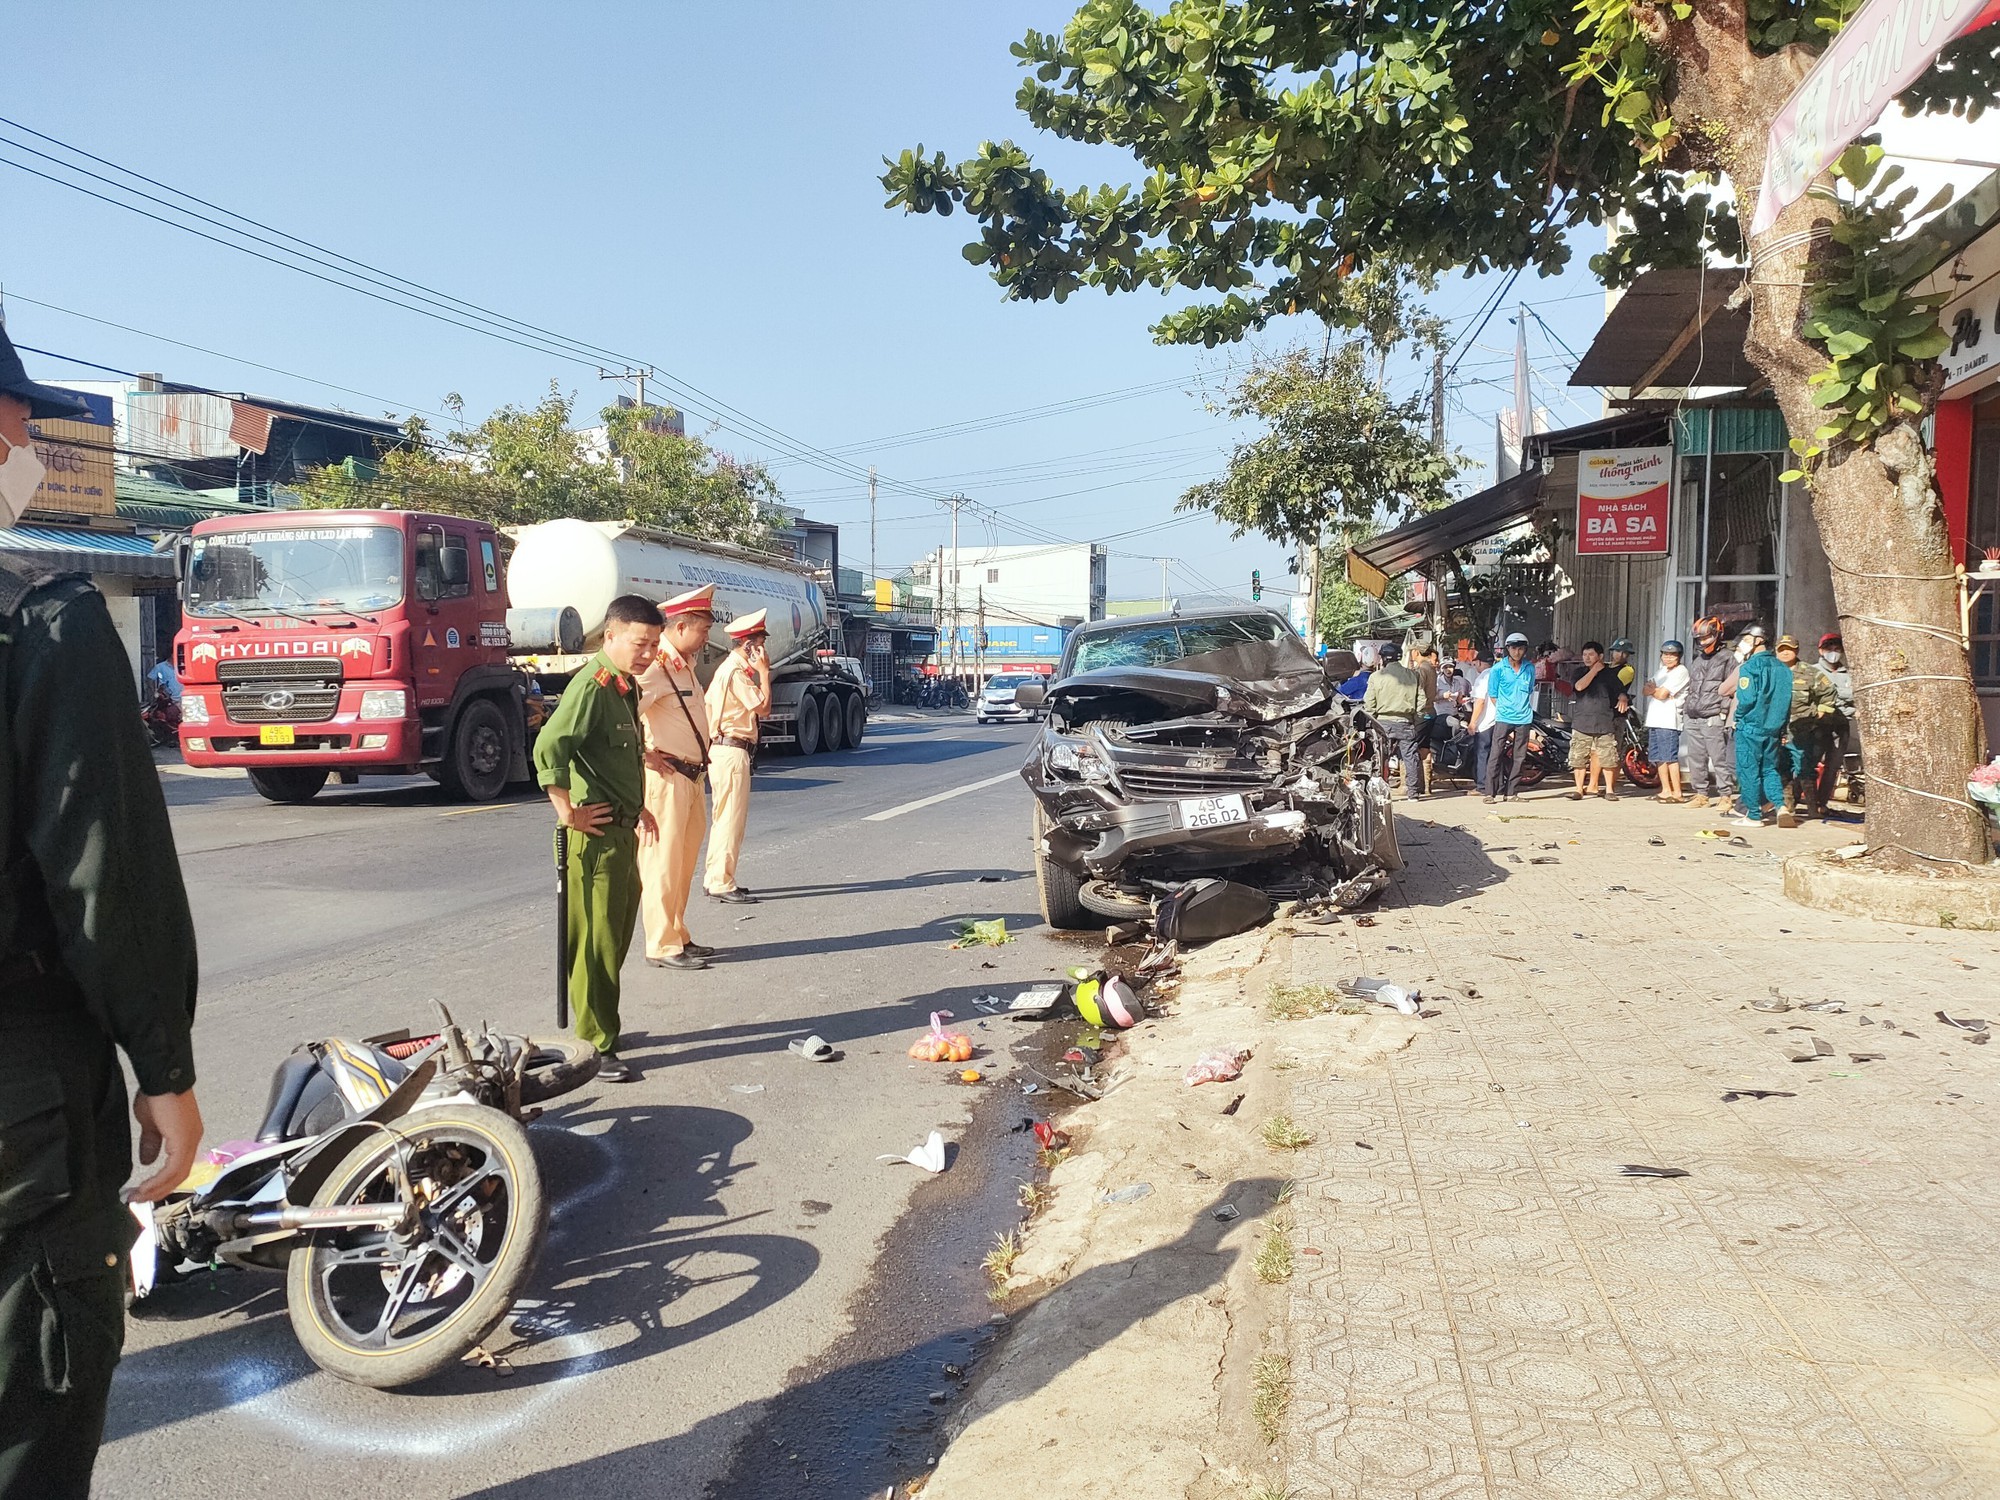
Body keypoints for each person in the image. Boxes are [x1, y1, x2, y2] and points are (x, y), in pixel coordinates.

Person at [0, 331, 203, 1500]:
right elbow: (102, 873)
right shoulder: (43, 624)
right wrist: (163, 1067)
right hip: (21, 1109)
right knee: (31, 1403)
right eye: (21, 425)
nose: (27, 449)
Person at [533, 594, 663, 1082]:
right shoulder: (592, 686)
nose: (648, 653)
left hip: (620, 830)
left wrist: (639, 804)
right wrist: (567, 812)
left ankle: (601, 1024)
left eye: (654, 644)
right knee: (596, 942)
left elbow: (616, 759)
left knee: (615, 934)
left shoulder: (623, 685)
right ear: (610, 636)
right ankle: (594, 1043)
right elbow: (551, 745)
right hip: (596, 838)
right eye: (640, 643)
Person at [636, 585, 717, 972]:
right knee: (663, 863)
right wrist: (643, 752)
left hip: (691, 777)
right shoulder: (656, 668)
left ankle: (678, 932)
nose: (705, 639)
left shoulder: (682, 666)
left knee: (683, 862)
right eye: (702, 630)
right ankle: (662, 944)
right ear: (682, 626)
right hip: (667, 779)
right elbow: (622, 714)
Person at [704, 609, 772, 904]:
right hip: (731, 751)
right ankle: (721, 881)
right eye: (760, 644)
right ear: (749, 646)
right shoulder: (736, 674)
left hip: (723, 750)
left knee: (724, 819)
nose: (763, 651)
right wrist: (765, 673)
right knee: (731, 819)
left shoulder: (727, 671)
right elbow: (764, 707)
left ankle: (716, 877)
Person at [1729, 624, 1793, 828]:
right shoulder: (1783, 669)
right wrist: (1782, 728)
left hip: (1751, 726)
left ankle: (1753, 815)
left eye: (1746, 639)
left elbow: (1746, 699)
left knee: (1748, 770)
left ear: (1758, 640)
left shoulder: (1749, 667)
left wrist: (1738, 717)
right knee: (1770, 769)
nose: (1742, 644)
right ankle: (1780, 806)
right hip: (1773, 728)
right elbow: (1786, 702)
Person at [1362, 643, 1434, 798]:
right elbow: (1422, 700)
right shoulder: (1412, 675)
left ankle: (1381, 792)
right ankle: (1413, 793)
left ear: (1383, 658)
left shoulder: (1376, 677)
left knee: (1382, 758)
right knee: (1410, 757)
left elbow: (1369, 703)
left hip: (1383, 723)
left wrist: (1372, 719)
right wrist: (1415, 717)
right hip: (1406, 722)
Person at [1776, 634, 1836, 819]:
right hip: (1777, 727)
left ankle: (1812, 808)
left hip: (1801, 727)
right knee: (1781, 767)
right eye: (1781, 649)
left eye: (1789, 649)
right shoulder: (1772, 671)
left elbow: (1829, 691)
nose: (1785, 653)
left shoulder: (1810, 672)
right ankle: (1787, 807)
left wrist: (1821, 712)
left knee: (1804, 767)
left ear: (1796, 650)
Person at [1680, 616, 1737, 808]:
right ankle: (1701, 795)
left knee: (1718, 758)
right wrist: (1687, 709)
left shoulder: (1728, 657)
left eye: (1706, 637)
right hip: (1693, 715)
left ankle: (1726, 795)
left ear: (1716, 635)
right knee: (1695, 758)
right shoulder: (1698, 659)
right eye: (1700, 639)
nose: (1703, 642)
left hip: (1714, 715)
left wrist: (1723, 710)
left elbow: (1732, 687)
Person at [1565, 640, 1629, 800]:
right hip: (1582, 722)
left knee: (1608, 757)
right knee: (1578, 758)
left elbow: (1620, 691)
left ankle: (1609, 790)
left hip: (1604, 722)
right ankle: (1579, 789)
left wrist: (1623, 697)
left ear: (1600, 656)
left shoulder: (1610, 674)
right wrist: (1594, 671)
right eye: (1585, 654)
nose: (1587, 657)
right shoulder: (1579, 672)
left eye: (1591, 654)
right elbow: (1579, 687)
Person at [1483, 632, 1536, 803]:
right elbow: (1492, 694)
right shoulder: (1498, 668)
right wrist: (1504, 709)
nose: (1517, 652)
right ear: (1508, 649)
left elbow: (1529, 690)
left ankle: (1511, 792)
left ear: (1525, 650)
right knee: (1496, 754)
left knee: (1519, 757)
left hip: (1524, 717)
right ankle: (1490, 793)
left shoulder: (1530, 668)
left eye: (1520, 649)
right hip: (1504, 717)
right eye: (1514, 648)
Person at [1643, 640, 1690, 804]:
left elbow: (1662, 694)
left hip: (1669, 720)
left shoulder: (1681, 671)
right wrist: (1656, 691)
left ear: (1679, 657)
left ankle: (1677, 792)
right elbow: (1645, 689)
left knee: (1670, 757)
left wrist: (1654, 691)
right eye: (1665, 654)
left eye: (1672, 655)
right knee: (1658, 757)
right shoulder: (1661, 671)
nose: (1668, 658)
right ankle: (1665, 790)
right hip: (1655, 719)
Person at [1813, 632, 1854, 812]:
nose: (1833, 652)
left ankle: (1821, 803)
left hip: (1841, 724)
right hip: (1818, 724)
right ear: (1821, 650)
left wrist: (1838, 696)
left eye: (1837, 649)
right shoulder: (1813, 671)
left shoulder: (1850, 674)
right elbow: (1820, 697)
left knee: (1833, 765)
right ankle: (1801, 799)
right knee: (1809, 762)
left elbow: (1856, 696)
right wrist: (1841, 697)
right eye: (1829, 648)